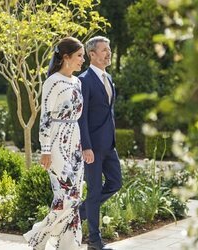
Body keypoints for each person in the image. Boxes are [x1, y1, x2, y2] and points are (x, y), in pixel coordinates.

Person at [24, 37, 85, 250]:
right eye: (79, 56)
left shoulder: (77, 82)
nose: (83, 60)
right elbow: (46, 118)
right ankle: (37, 236)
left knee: (76, 196)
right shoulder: (52, 82)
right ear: (66, 57)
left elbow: (78, 116)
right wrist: (46, 150)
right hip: (57, 142)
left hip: (75, 141)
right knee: (67, 197)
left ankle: (69, 246)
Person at [78, 36, 122, 250]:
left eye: (109, 49)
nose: (108, 53)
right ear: (92, 55)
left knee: (116, 183)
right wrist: (86, 146)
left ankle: (80, 212)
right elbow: (81, 116)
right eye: (104, 50)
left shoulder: (109, 78)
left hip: (109, 146)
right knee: (94, 192)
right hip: (92, 148)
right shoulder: (84, 80)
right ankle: (94, 241)